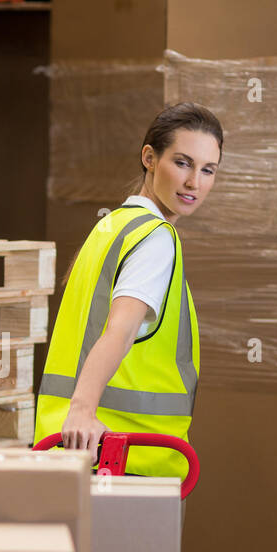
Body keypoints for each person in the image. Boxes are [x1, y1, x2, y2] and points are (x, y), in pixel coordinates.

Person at [34, 102, 222, 478]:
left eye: (208, 170)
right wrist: (83, 411)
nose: (194, 183)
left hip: (66, 447)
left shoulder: (111, 226)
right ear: (149, 158)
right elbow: (120, 329)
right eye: (182, 163)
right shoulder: (156, 238)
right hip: (124, 454)